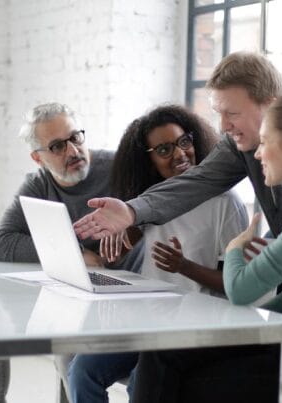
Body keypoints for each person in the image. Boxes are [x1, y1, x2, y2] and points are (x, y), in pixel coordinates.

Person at [132, 90, 282, 403]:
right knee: (164, 354)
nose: (258, 155)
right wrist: (240, 328)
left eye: (264, 143)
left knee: (189, 386)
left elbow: (241, 291)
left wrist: (235, 249)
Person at [73, 51, 282, 250]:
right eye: (218, 113)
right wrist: (131, 210)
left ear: (272, 104)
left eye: (232, 114)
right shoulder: (243, 144)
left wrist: (266, 256)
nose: (222, 127)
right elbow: (197, 182)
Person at [67, 105, 248, 403]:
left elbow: (235, 285)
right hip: (145, 321)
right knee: (81, 371)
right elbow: (119, 259)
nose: (179, 154)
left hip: (193, 326)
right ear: (147, 160)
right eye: (164, 149)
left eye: (184, 142)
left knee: (141, 382)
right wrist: (125, 237)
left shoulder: (224, 203)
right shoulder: (145, 202)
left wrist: (185, 267)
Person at [0, 102, 141, 403]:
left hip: (123, 293)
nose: (72, 151)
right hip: (71, 292)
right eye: (56, 146)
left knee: (68, 351)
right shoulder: (38, 185)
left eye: (75, 138)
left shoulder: (120, 167)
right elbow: (1, 243)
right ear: (38, 158)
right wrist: (77, 254)